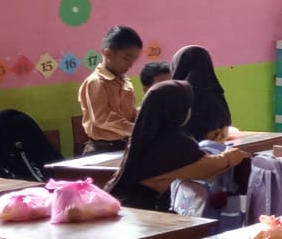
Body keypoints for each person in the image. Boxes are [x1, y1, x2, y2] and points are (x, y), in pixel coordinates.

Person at [106, 81, 248, 211]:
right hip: (136, 211)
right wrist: (234, 155)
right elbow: (208, 167)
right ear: (176, 108)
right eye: (187, 106)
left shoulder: (145, 134)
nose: (189, 110)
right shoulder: (173, 143)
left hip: (115, 202)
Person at [77, 25, 142, 153]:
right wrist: (135, 129)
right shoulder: (96, 82)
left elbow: (130, 113)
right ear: (108, 54)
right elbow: (103, 118)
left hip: (124, 145)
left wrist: (144, 115)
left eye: (133, 60)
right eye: (126, 58)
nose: (130, 65)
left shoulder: (126, 82)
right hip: (102, 149)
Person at [170, 45, 234, 142]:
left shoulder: (178, 96)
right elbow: (225, 129)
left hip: (187, 149)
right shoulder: (216, 93)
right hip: (217, 148)